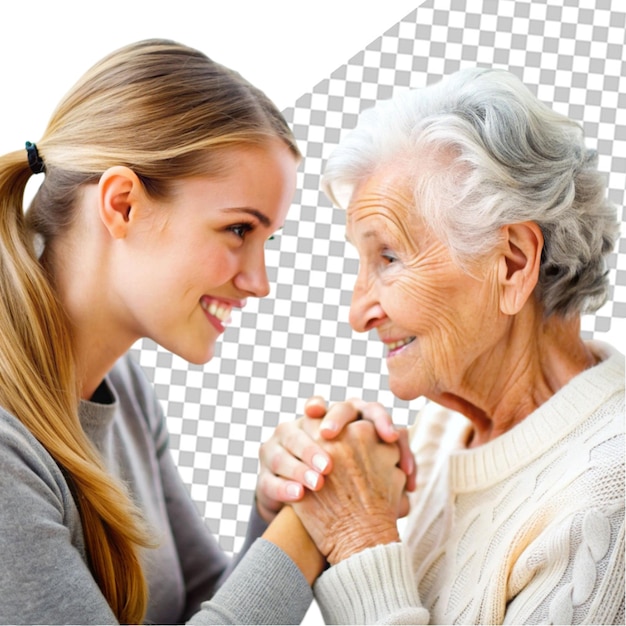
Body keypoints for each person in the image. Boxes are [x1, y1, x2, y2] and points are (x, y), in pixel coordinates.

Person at [0, 38, 408, 625]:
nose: (260, 282)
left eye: (266, 242)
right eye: (239, 229)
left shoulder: (122, 385)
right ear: (122, 206)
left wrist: (279, 504)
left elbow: (194, 608)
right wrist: (325, 505)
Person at [273, 67, 624, 624]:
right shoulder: (442, 429)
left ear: (511, 264)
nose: (357, 312)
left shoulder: (608, 496)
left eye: (387, 258)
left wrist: (361, 539)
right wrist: (305, 497)